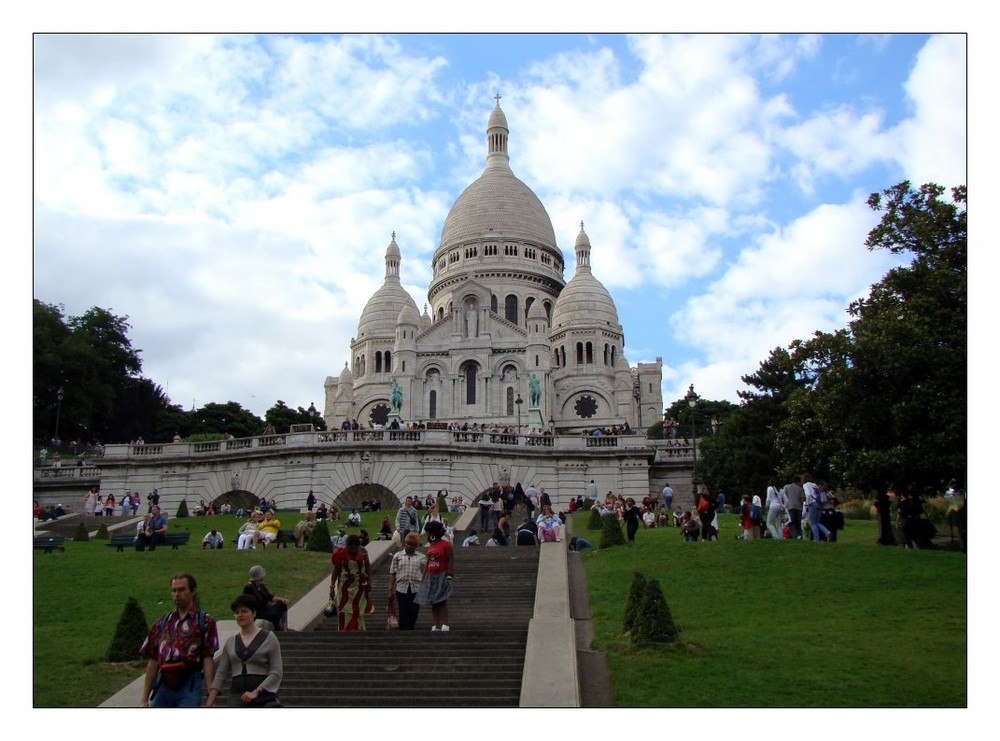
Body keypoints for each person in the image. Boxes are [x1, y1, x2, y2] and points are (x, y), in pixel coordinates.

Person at [139, 572, 219, 707]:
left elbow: (207, 659)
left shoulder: (205, 621)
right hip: (164, 681)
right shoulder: (162, 622)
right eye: (174, 590)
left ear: (193, 591)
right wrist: (144, 698)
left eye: (182, 590)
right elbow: (153, 659)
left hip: (189, 682)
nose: (177, 594)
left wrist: (210, 696)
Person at [206, 594, 283, 708]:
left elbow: (276, 672)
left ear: (254, 613)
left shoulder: (269, 638)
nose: (240, 615)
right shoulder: (231, 642)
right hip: (236, 695)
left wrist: (257, 691)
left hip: (262, 696)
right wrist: (209, 703)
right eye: (237, 612)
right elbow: (221, 674)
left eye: (244, 611)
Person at [328, 534, 373, 631]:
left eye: (355, 549)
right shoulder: (340, 553)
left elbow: (368, 566)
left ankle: (358, 629)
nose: (352, 551)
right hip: (344, 586)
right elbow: (336, 569)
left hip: (359, 586)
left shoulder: (363, 551)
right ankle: (344, 630)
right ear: (347, 545)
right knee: (344, 609)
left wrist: (369, 581)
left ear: (358, 546)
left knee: (357, 609)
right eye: (350, 548)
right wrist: (332, 586)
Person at [415, 520, 454, 631]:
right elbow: (428, 562)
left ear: (434, 533)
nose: (427, 535)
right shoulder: (431, 546)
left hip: (442, 575)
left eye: (428, 533)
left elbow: (450, 560)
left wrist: (450, 574)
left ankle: (445, 624)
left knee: (442, 601)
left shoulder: (446, 544)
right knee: (433, 602)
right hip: (431, 576)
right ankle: (436, 625)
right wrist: (424, 576)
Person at [388, 532, 426, 630]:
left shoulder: (421, 557)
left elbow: (427, 569)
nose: (409, 546)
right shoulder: (398, 556)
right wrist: (390, 589)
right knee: (403, 610)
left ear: (416, 546)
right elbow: (393, 572)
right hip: (401, 588)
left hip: (416, 588)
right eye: (408, 544)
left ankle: (410, 627)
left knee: (414, 610)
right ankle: (404, 631)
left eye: (412, 545)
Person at [243, 565, 290, 631]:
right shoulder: (249, 587)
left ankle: (285, 629)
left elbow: (270, 597)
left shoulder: (261, 585)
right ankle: (278, 628)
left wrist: (282, 599)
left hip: (266, 609)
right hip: (259, 612)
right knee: (274, 613)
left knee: (282, 604)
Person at [803, 474, 832, 542]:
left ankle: (816, 539)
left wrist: (807, 504)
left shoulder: (806, 485)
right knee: (817, 522)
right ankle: (827, 532)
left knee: (812, 522)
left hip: (812, 503)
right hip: (820, 504)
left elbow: (808, 494)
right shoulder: (814, 485)